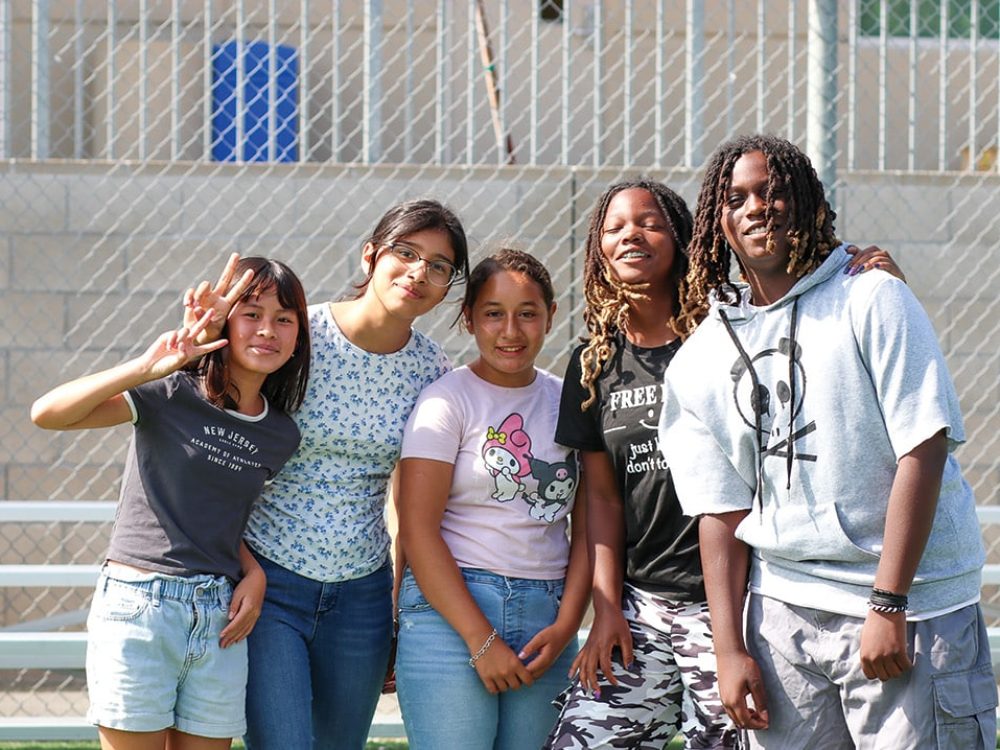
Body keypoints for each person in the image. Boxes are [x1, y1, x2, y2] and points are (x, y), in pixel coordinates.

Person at [659, 134, 996, 749]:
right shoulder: (700, 358)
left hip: (907, 606)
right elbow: (720, 511)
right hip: (782, 610)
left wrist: (888, 603)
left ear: (807, 201)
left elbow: (922, 450)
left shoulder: (873, 297)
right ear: (718, 221)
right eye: (737, 198)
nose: (757, 206)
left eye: (773, 190)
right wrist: (728, 650)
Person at [545, 180, 903, 750]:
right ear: (598, 247)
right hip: (645, 607)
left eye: (650, 223)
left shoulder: (731, 334)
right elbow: (603, 500)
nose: (631, 235)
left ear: (684, 238)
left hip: (738, 604)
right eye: (614, 227)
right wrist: (606, 609)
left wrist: (857, 269)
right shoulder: (593, 363)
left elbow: (808, 309)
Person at [184, 200, 470, 750]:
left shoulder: (434, 370)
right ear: (370, 255)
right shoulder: (295, 334)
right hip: (269, 581)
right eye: (406, 253)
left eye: (438, 265)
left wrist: (395, 603)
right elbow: (217, 445)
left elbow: (412, 501)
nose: (419, 273)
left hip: (362, 594)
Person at [31, 257, 309, 750]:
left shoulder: (280, 434)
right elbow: (47, 414)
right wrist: (148, 365)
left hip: (218, 616)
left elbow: (216, 516)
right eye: (252, 313)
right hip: (141, 604)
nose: (268, 330)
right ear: (225, 320)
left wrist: (253, 571)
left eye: (284, 319)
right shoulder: (170, 391)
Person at [396, 248, 590, 750]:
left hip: (545, 617)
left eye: (527, 313)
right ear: (469, 319)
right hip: (453, 610)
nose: (511, 331)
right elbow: (417, 530)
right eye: (493, 314)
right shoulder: (446, 400)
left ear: (551, 315)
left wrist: (568, 623)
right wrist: (481, 641)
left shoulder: (569, 400)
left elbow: (590, 528)